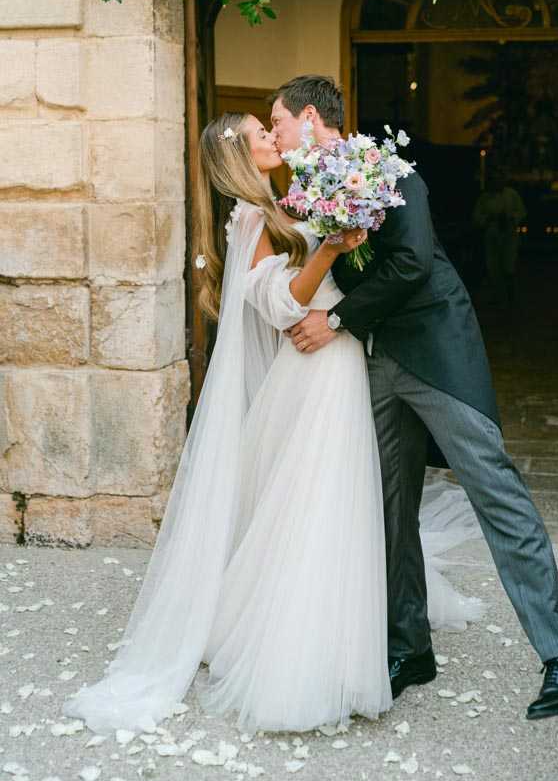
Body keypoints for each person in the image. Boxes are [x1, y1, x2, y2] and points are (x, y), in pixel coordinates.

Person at [62, 110, 484, 737]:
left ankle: (354, 626)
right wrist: (335, 248)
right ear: (241, 153)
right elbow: (283, 303)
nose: (273, 137)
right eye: (262, 133)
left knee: (337, 497)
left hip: (335, 355)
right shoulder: (255, 218)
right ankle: (308, 653)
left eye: (272, 126)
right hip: (317, 361)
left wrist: (345, 238)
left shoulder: (283, 205)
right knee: (322, 498)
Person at [273, 75, 558, 720]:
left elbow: (412, 265)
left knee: (495, 495)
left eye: (279, 121)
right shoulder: (308, 196)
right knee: (390, 510)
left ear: (312, 118)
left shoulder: (388, 171)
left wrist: (336, 321)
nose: (277, 132)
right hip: (377, 360)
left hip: (439, 353)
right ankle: (408, 646)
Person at [472, 169, 527, 306]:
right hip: (492, 236)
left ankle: (510, 296)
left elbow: (521, 212)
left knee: (509, 266)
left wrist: (511, 219)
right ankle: (497, 297)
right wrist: (489, 219)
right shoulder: (485, 198)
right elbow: (477, 216)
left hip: (509, 235)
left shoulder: (512, 195)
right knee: (493, 268)